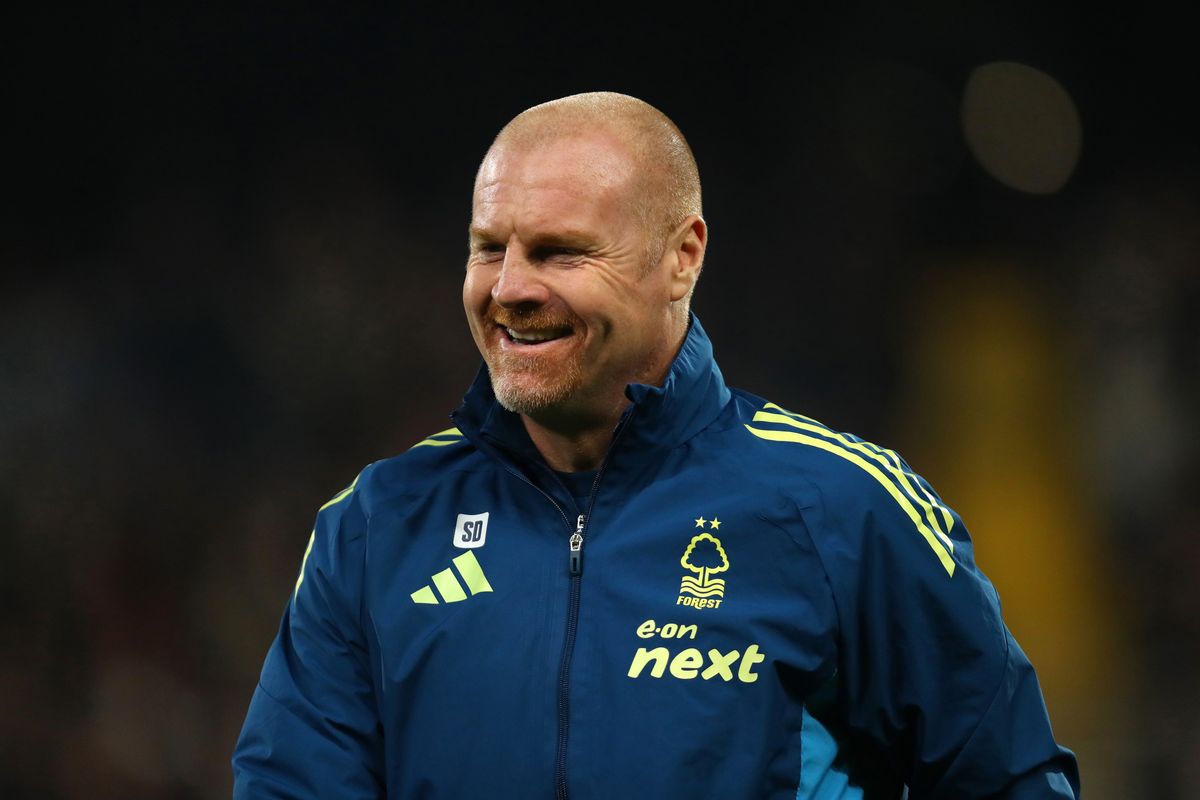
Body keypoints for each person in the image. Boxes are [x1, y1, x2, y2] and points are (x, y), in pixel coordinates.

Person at [232, 92, 1080, 799]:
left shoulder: (844, 509)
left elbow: (1010, 780)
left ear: (682, 258)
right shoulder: (376, 527)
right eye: (489, 248)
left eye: (561, 252)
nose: (511, 288)